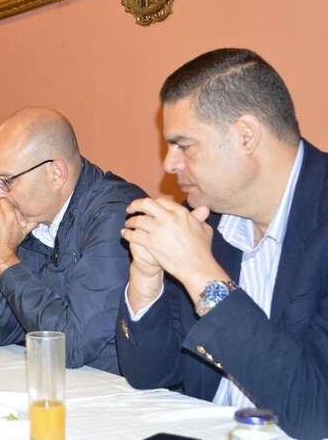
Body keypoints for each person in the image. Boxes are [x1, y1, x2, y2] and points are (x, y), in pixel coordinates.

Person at [117, 48, 328, 439]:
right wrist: (146, 280)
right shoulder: (208, 219)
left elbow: (317, 414)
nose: (168, 164)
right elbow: (149, 374)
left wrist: (201, 274)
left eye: (184, 145)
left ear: (245, 135)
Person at [0, 107, 145, 373]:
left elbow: (71, 345)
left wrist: (4, 258)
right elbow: (2, 333)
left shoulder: (114, 215)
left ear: (56, 174)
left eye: (6, 181)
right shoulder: (31, 215)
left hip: (120, 393)